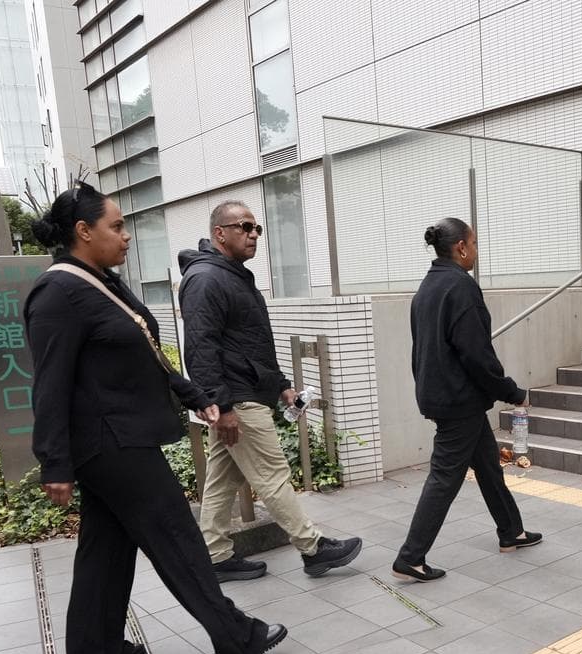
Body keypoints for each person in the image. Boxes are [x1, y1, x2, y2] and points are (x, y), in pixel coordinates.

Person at [25, 182, 285, 654]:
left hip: (120, 438)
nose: (127, 236)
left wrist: (196, 395)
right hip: (110, 442)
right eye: (117, 226)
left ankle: (94, 646)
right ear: (83, 231)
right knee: (177, 537)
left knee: (107, 546)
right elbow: (50, 384)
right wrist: (53, 461)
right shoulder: (58, 291)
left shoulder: (99, 281)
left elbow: (147, 355)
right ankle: (237, 637)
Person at [179, 201, 362, 582]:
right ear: (220, 233)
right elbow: (200, 347)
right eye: (243, 227)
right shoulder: (207, 279)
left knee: (222, 478)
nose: (253, 234)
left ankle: (212, 554)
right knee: (273, 474)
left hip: (244, 393)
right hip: (237, 399)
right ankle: (313, 548)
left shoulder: (232, 275)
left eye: (256, 228)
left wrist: (282, 387)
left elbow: (252, 345)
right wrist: (221, 405)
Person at [392, 218, 542, 582]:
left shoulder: (427, 287)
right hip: (459, 400)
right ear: (461, 246)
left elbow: (423, 351)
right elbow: (476, 354)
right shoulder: (461, 287)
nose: (476, 250)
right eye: (474, 243)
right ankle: (410, 557)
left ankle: (511, 532)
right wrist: (511, 391)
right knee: (444, 477)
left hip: (443, 394)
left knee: (488, 465)